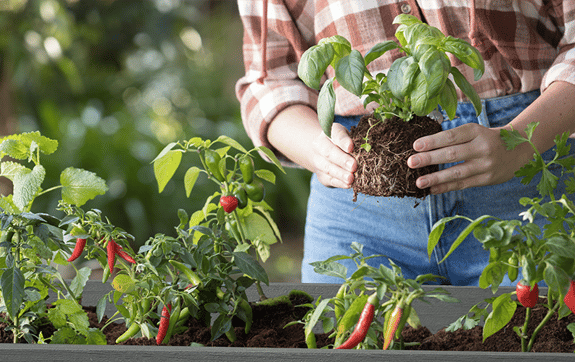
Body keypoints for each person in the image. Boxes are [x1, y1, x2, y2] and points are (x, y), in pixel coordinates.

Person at [235, 0, 575, 285]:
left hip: (526, 167)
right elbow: (269, 79)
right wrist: (319, 151)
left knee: (538, 357)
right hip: (358, 203)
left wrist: (517, 142)